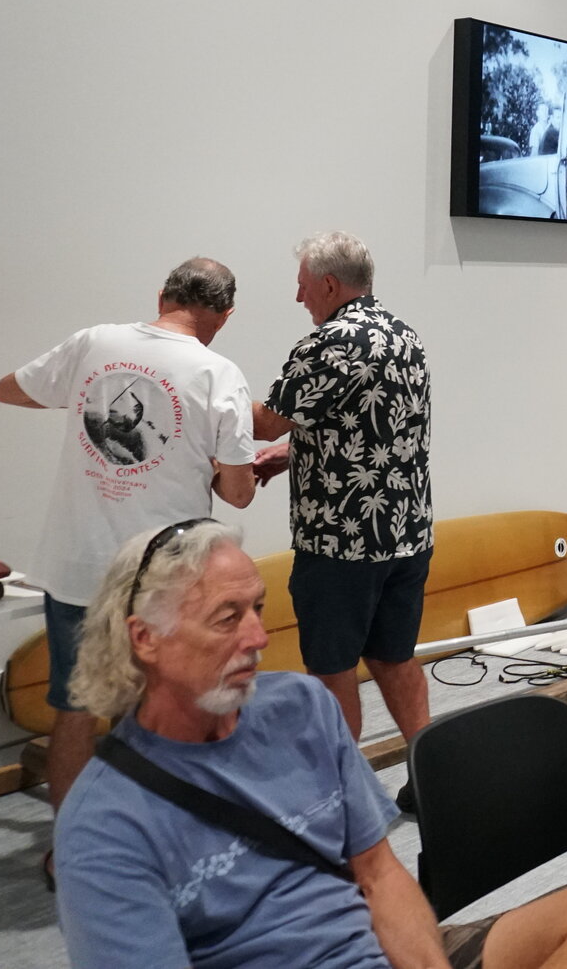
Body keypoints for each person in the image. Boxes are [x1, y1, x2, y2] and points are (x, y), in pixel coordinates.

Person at [55, 520, 567, 969]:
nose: (258, 637)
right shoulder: (105, 823)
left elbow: (380, 875)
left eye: (257, 609)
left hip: (377, 948)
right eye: (226, 618)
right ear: (145, 638)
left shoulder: (300, 707)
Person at [0, 256, 256, 848]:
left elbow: (9, 390)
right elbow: (238, 493)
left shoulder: (95, 343)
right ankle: (146, 843)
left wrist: (83, 395)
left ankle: (71, 852)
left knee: (74, 708)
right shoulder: (218, 373)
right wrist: (211, 467)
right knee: (157, 708)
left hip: (77, 565)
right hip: (163, 576)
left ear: (162, 296)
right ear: (225, 315)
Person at [250, 233, 433, 798]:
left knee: (332, 668)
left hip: (341, 545)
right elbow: (369, 426)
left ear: (329, 284)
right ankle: (434, 781)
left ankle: (343, 797)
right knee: (394, 657)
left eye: (303, 286)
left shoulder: (326, 344)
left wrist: (199, 384)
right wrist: (296, 452)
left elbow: (265, 422)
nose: (298, 297)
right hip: (406, 534)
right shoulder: (405, 335)